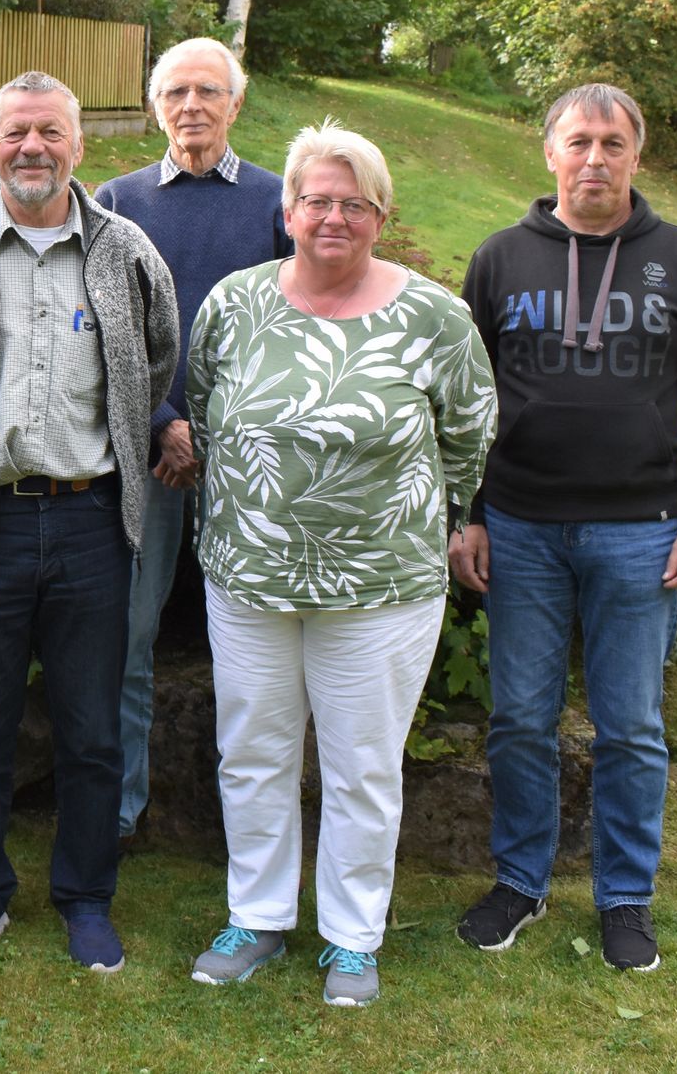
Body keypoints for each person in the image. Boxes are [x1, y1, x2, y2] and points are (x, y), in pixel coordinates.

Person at [184, 120, 495, 1007]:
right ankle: (257, 916)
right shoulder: (234, 303)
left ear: (381, 217)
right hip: (249, 575)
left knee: (363, 763)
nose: (333, 217)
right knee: (252, 749)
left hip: (380, 586)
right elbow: (205, 411)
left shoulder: (434, 316)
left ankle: (352, 938)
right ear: (286, 211)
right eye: (316, 200)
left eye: (354, 204)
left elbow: (470, 430)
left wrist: (441, 515)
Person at [450, 83, 677, 972]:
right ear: (549, 153)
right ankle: (521, 880)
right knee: (519, 719)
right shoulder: (500, 258)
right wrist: (469, 514)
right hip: (521, 527)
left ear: (635, 156)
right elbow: (466, 401)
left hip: (640, 531)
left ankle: (625, 895)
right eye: (578, 141)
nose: (594, 158)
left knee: (630, 727)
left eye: (612, 143)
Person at [0, 71, 178, 976]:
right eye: (15, 131)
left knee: (91, 730)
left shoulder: (127, 251)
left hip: (93, 521)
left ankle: (86, 897)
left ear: (79, 145)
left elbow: (157, 360)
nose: (32, 148)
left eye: (50, 131)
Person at [92, 37, 292, 852]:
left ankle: (253, 822)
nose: (192, 105)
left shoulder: (281, 202)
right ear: (154, 107)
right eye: (175, 91)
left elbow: (300, 329)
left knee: (260, 645)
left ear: (236, 103)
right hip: (149, 453)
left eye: (209, 90)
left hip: (252, 457)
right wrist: (164, 421)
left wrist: (215, 427)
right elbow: (101, 330)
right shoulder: (118, 200)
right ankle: (121, 812)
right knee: (128, 637)